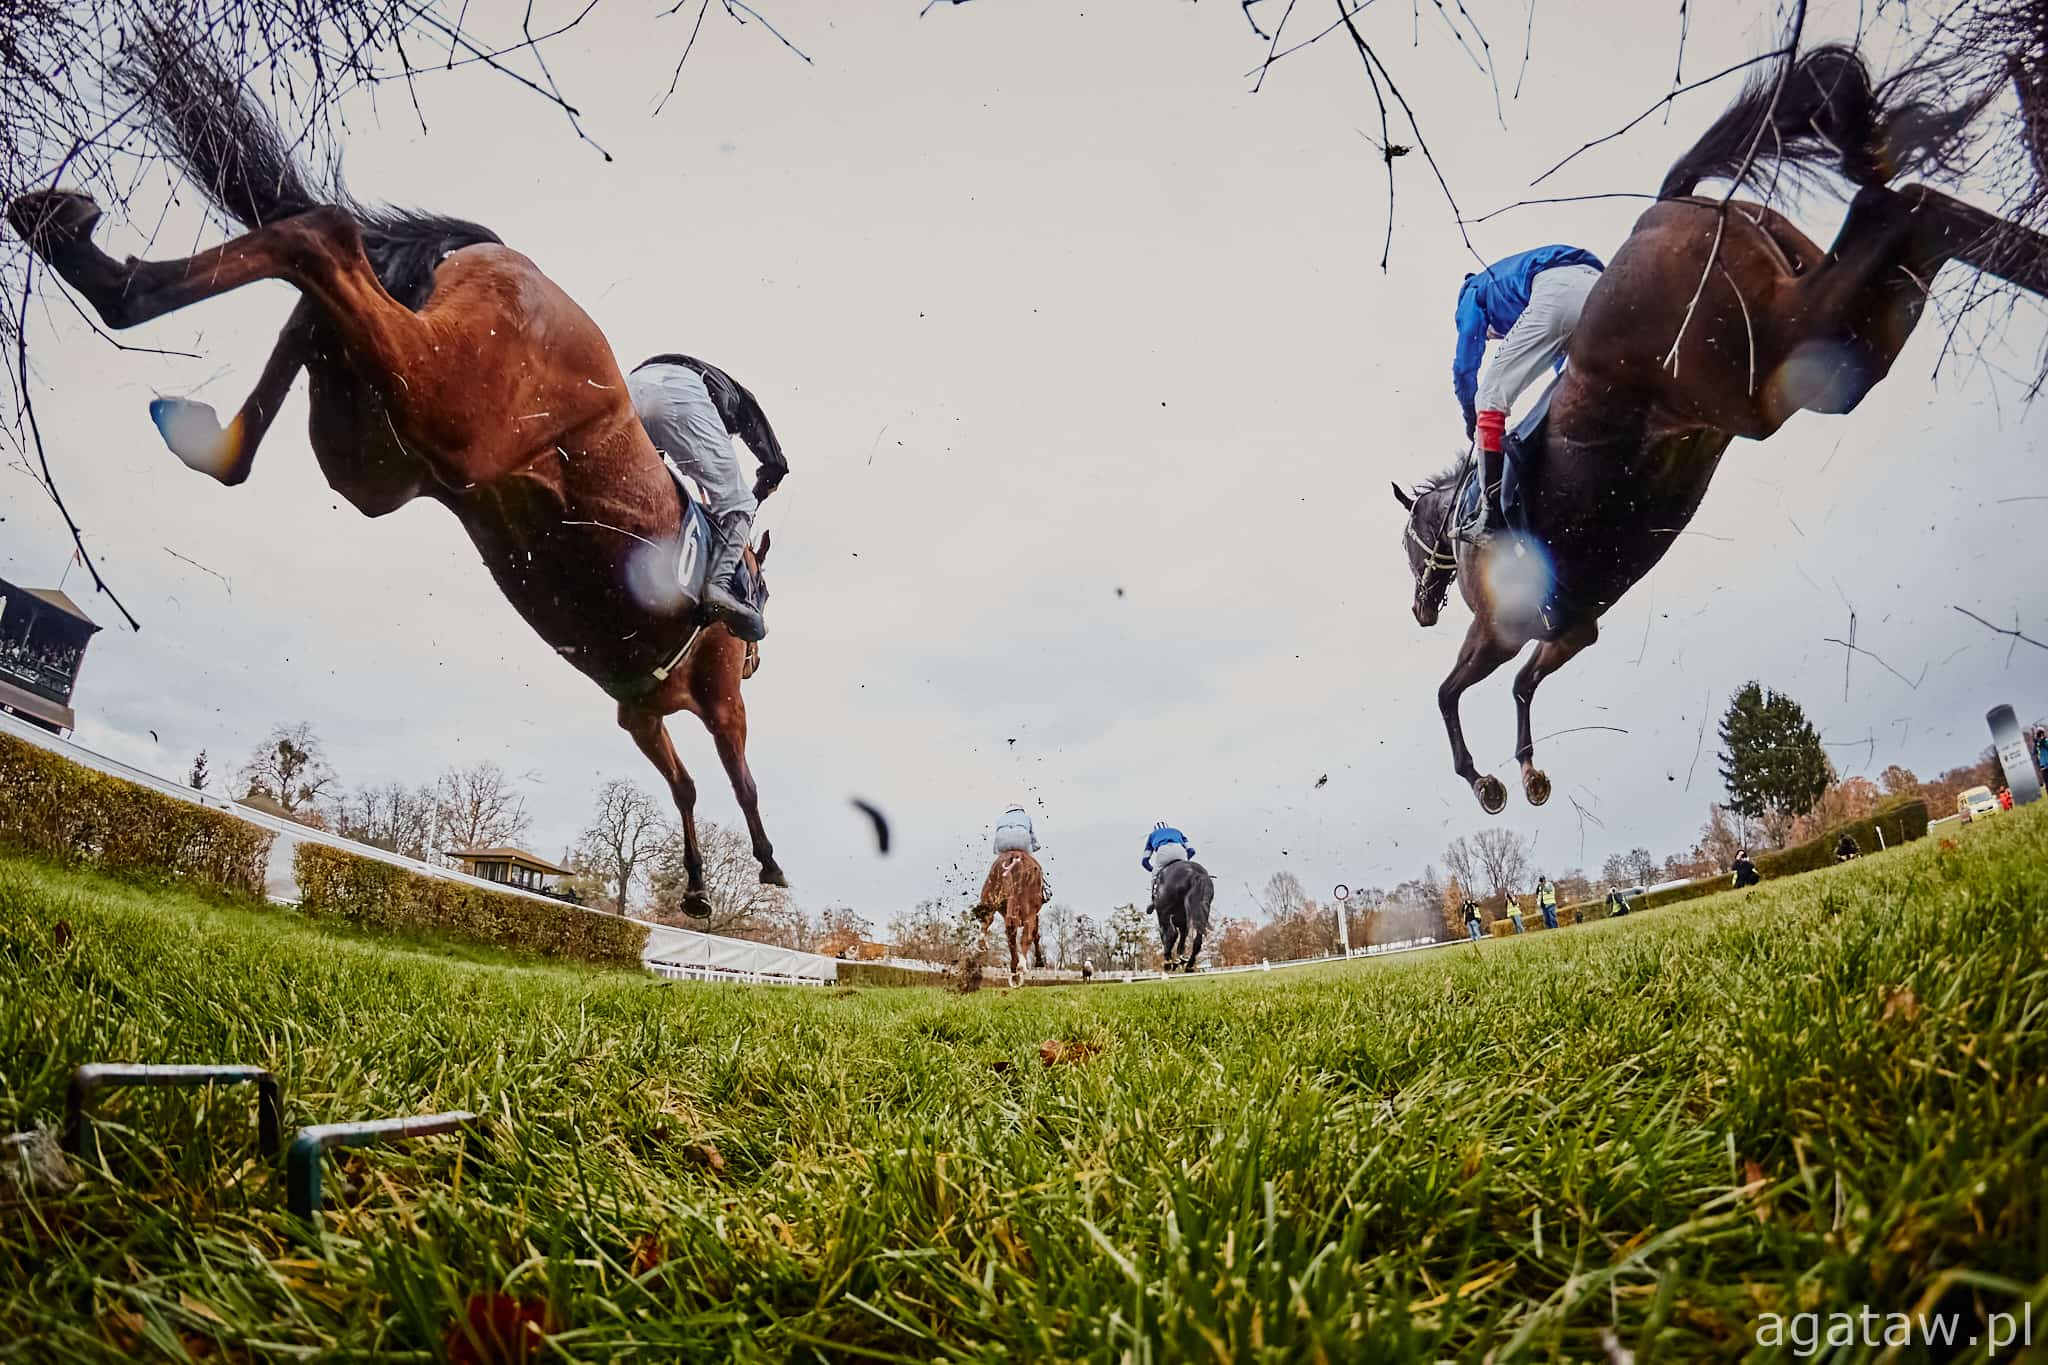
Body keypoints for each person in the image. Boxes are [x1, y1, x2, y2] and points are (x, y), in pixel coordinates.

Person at [627, 354, 790, 643]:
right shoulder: (741, 399)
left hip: (631, 388)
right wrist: (755, 499)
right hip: (680, 389)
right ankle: (720, 586)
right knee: (740, 503)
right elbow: (776, 465)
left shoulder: (707, 393)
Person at [1451, 245, 1605, 537]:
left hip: (1557, 290)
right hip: (1603, 288)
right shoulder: (1513, 282)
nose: (1496, 337)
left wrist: (1473, 418)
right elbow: (1562, 367)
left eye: (1491, 335)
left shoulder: (1473, 291)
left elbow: (1464, 368)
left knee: (1490, 395)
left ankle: (1490, 516)